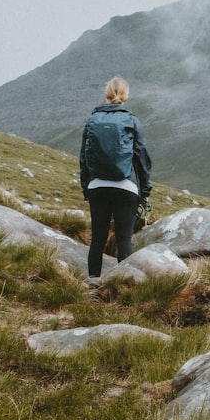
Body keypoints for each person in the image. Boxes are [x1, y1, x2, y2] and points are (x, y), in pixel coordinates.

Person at [79, 77, 152, 278]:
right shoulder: (132, 120)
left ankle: (93, 284)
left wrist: (86, 188)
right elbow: (142, 157)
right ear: (126, 96)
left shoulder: (92, 120)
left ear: (107, 94)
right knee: (124, 240)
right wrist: (145, 192)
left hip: (97, 187)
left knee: (97, 239)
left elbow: (84, 158)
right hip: (126, 187)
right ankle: (123, 287)